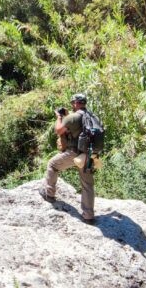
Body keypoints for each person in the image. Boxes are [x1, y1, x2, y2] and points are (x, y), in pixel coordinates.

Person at [41, 93, 95, 224]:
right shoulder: (92, 116)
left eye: (73, 103)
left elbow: (59, 130)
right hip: (89, 154)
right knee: (87, 184)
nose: (72, 106)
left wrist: (59, 117)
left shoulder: (73, 117)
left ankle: (49, 195)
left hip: (74, 154)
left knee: (52, 165)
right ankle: (88, 216)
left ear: (76, 103)